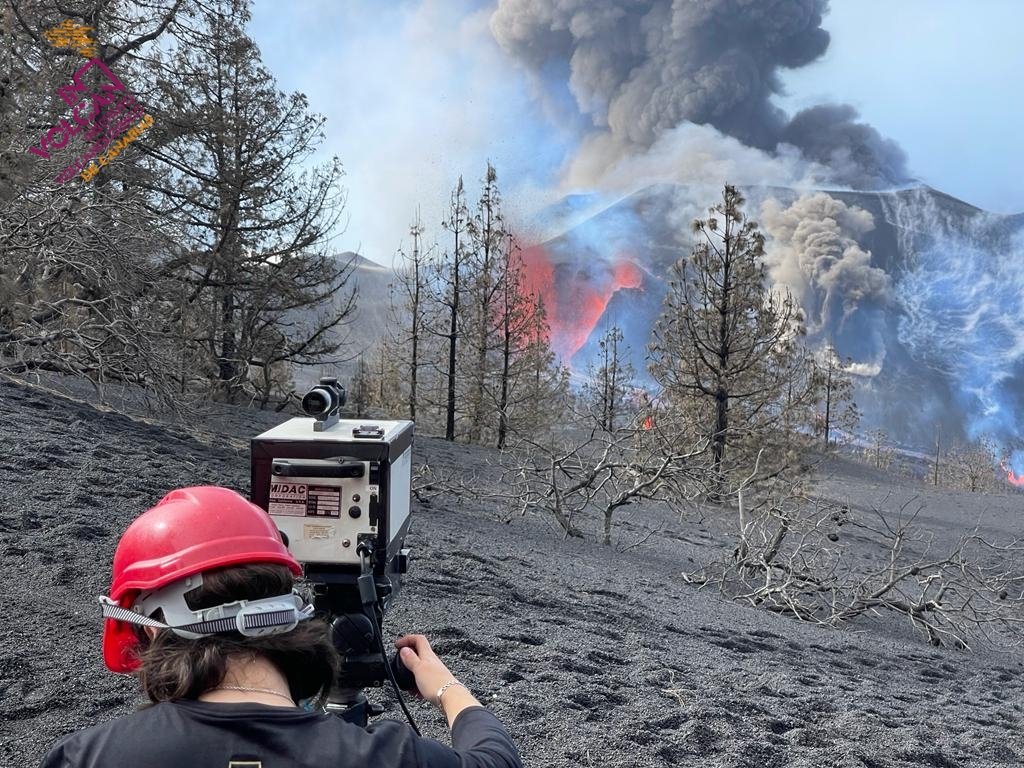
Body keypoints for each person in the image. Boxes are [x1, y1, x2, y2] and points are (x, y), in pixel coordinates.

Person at [41, 486, 523, 768]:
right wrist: (446, 689)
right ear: (287, 607)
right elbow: (496, 760)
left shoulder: (88, 757)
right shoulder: (382, 755)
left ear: (148, 627)